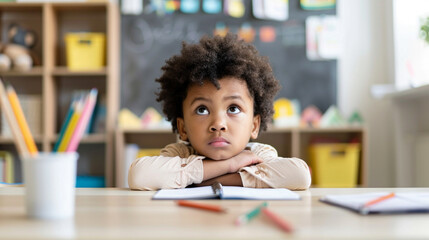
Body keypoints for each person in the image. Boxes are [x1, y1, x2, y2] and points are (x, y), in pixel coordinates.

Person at [128, 33, 311, 190]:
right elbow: (139, 175)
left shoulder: (257, 154)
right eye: (202, 110)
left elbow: (300, 175)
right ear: (182, 128)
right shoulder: (181, 153)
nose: (218, 124)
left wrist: (204, 180)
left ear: (254, 125)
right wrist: (230, 165)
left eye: (233, 108)